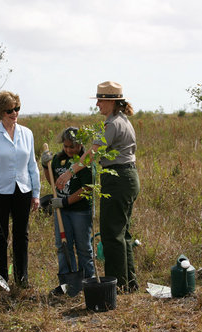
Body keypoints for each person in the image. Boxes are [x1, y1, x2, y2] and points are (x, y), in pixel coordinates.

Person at [56, 81, 140, 292]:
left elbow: (92, 154)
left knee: (112, 234)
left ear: (112, 102)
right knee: (123, 233)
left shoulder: (112, 125)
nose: (98, 105)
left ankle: (117, 285)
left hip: (118, 179)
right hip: (127, 177)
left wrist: (69, 172)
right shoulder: (123, 120)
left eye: (101, 100)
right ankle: (128, 283)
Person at [0, 91, 40, 288]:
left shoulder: (27, 133)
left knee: (22, 236)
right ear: (0, 112)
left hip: (23, 190)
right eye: (9, 110)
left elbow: (32, 165)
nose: (14, 113)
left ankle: (22, 280)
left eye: (17, 108)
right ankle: (0, 280)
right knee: (0, 236)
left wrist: (36, 193)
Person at [41, 127, 95, 295]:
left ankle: (88, 281)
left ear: (80, 145)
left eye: (73, 146)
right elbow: (54, 182)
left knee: (83, 247)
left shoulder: (85, 161)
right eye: (66, 146)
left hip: (80, 211)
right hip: (61, 211)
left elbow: (87, 189)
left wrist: (65, 201)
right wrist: (45, 166)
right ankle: (67, 283)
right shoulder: (58, 159)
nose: (69, 150)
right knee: (63, 246)